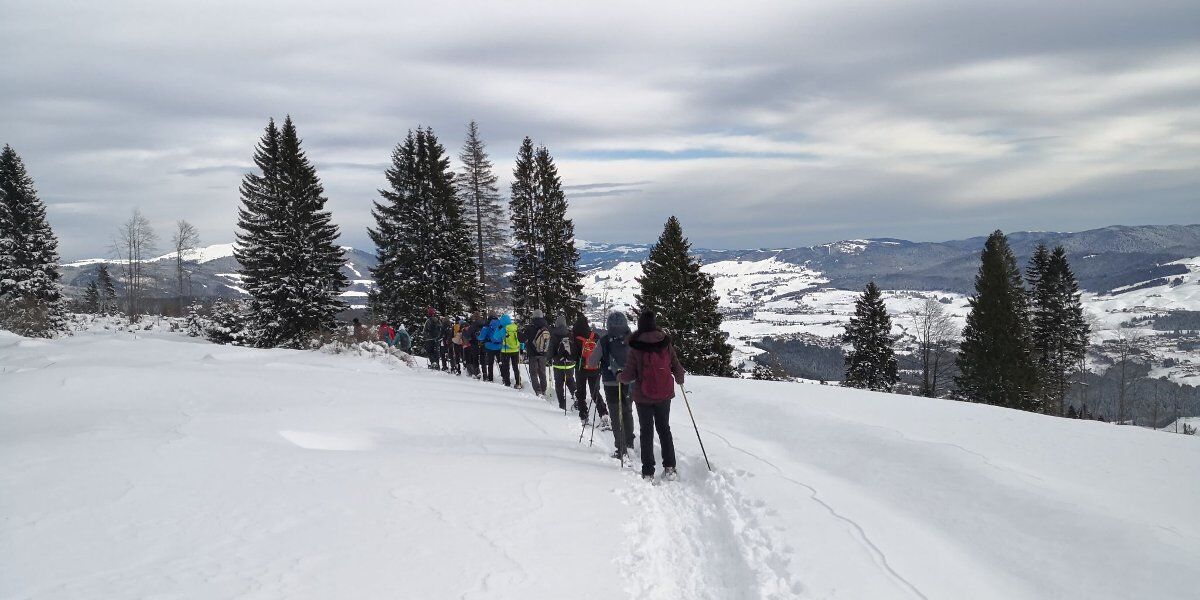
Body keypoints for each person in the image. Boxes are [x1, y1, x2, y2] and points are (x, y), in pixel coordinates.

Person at [618, 310, 685, 481]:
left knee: (646, 431)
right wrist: (679, 378)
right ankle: (670, 468)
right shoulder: (665, 342)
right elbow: (675, 365)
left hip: (643, 396)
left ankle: (648, 471)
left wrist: (619, 376)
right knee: (664, 429)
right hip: (664, 393)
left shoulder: (636, 346)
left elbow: (629, 375)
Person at [600, 310, 634, 459]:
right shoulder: (632, 339)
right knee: (627, 411)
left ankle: (621, 449)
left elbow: (592, 361)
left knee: (615, 414)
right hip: (629, 380)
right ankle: (629, 443)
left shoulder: (604, 340)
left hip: (610, 381)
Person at [572, 315, 609, 427]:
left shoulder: (575, 337)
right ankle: (603, 413)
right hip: (595, 369)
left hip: (581, 369)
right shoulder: (595, 336)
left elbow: (574, 356)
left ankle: (583, 416)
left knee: (581, 393)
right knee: (595, 392)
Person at [520, 309, 551, 397]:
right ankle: (544, 390)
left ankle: (538, 391)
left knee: (533, 373)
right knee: (542, 372)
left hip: (533, 354)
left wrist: (519, 332)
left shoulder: (530, 327)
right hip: (543, 354)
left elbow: (522, 339)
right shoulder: (547, 327)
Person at [548, 316, 576, 411]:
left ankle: (562, 404)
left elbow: (550, 350)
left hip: (558, 363)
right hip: (570, 363)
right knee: (570, 381)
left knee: (559, 384)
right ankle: (576, 398)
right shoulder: (570, 333)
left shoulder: (553, 334)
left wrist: (548, 359)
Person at [493, 314, 522, 387]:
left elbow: (495, 337)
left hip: (505, 351)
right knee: (515, 367)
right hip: (515, 350)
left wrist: (498, 328)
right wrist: (521, 347)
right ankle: (518, 382)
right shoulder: (515, 327)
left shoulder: (504, 329)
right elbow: (520, 338)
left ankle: (507, 383)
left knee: (506, 367)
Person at [481, 314, 502, 382]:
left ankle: (490, 378)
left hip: (490, 347)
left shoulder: (487, 325)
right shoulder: (500, 324)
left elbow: (482, 337)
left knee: (490, 363)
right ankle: (504, 377)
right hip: (499, 346)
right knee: (500, 362)